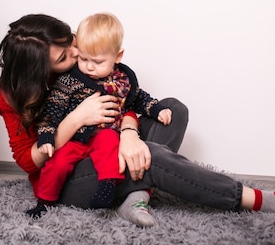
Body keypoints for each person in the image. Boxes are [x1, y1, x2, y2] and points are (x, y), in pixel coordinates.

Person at [0, 13, 275, 226]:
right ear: (38, 69)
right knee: (153, 158)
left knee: (172, 110)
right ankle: (261, 200)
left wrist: (128, 133)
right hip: (68, 176)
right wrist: (75, 119)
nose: (76, 56)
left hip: (108, 142)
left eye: (74, 47)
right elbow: (29, 162)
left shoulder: (83, 63)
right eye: (66, 56)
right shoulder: (14, 96)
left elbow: (121, 100)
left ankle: (135, 194)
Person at [27, 13, 172, 223]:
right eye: (83, 59)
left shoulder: (123, 79)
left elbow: (137, 98)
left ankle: (107, 185)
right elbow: (53, 109)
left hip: (106, 133)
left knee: (109, 144)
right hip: (76, 139)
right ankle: (44, 202)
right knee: (58, 162)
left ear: (118, 56)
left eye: (97, 61)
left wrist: (155, 108)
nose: (89, 67)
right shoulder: (69, 80)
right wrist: (47, 135)